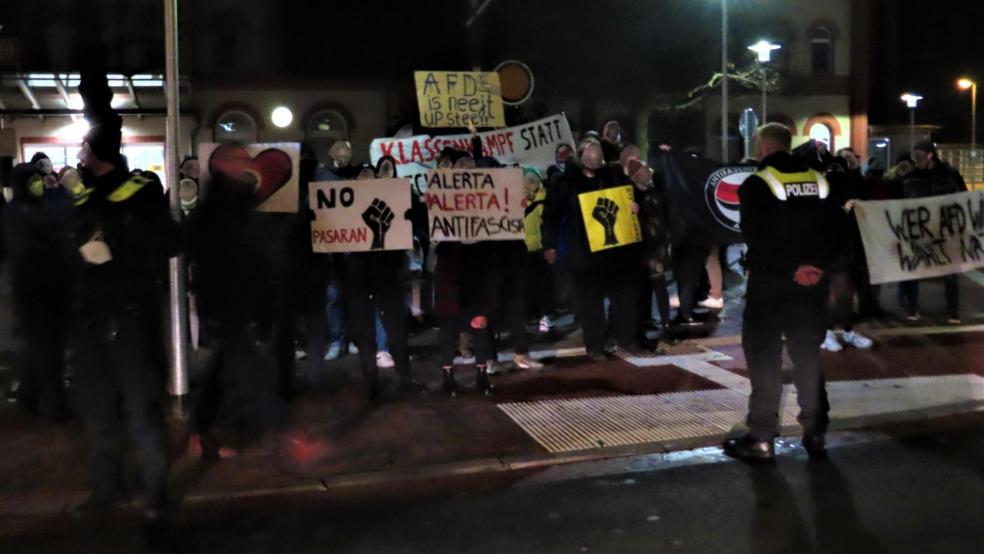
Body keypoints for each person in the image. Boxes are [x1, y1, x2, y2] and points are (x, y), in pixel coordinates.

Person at [69, 69, 177, 518]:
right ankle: (107, 489)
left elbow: (170, 242)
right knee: (98, 413)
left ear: (96, 152)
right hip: (92, 322)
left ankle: (154, 493)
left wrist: (119, 247)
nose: (77, 153)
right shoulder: (82, 200)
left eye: (83, 146)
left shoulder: (142, 192)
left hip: (131, 319)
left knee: (141, 410)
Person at [723, 123, 838, 462]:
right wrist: (814, 267)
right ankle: (815, 433)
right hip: (812, 286)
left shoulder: (758, 183)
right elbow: (835, 232)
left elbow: (758, 238)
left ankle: (761, 438)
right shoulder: (820, 181)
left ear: (763, 148)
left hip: (771, 287)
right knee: (807, 357)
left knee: (765, 359)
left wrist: (791, 269)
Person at [542, 141, 643, 359]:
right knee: (590, 304)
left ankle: (624, 338)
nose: (593, 164)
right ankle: (595, 345)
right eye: (589, 160)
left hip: (615, 252)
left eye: (597, 161)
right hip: (583, 252)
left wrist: (634, 207)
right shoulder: (565, 183)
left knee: (624, 297)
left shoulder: (613, 177)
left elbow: (632, 197)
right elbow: (550, 215)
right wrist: (548, 244)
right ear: (580, 159)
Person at [338, 161, 427, 400]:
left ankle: (405, 376)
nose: (367, 176)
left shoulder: (392, 198)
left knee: (396, 328)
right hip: (358, 272)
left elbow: (417, 215)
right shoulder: (343, 204)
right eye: (362, 173)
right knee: (364, 330)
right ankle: (371, 381)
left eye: (371, 173)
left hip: (387, 270)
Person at [2, 164, 74, 420]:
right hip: (33, 291)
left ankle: (29, 395)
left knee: (42, 349)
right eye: (33, 180)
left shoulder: (36, 207)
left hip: (47, 289)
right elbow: (28, 248)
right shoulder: (15, 213)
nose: (38, 184)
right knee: (47, 350)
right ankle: (53, 404)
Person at [898, 140, 967, 323]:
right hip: (918, 231)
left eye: (919, 156)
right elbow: (899, 202)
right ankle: (912, 308)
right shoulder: (910, 177)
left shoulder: (950, 175)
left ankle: (953, 312)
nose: (916, 160)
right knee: (914, 269)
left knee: (950, 271)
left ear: (930, 155)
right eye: (914, 157)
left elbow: (963, 198)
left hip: (945, 230)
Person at [821, 155, 874, 352]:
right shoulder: (821, 194)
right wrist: (844, 211)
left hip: (846, 252)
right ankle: (827, 333)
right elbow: (826, 223)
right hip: (828, 252)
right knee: (834, 295)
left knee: (845, 295)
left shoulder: (851, 188)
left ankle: (847, 331)